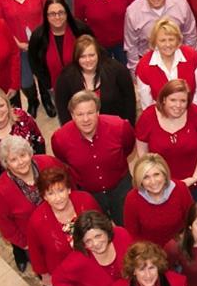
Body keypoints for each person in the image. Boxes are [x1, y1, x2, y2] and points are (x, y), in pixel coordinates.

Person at [26, 166, 100, 286]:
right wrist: (45, 276)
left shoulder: (86, 200)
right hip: (62, 269)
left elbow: (102, 226)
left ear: (68, 190)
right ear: (44, 196)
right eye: (50, 193)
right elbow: (35, 251)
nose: (57, 198)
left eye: (60, 190)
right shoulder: (37, 220)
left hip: (92, 261)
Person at [51, 90, 135, 224]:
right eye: (80, 114)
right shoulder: (60, 139)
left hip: (120, 188)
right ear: (72, 115)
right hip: (88, 194)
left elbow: (128, 148)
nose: (86, 119)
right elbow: (64, 160)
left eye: (90, 113)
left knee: (128, 225)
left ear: (98, 112)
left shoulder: (120, 127)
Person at [0, 135, 63, 272]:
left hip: (63, 225)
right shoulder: (0, 191)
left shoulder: (48, 163)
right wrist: (25, 244)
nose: (20, 162)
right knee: (47, 267)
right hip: (35, 239)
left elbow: (68, 184)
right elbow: (4, 224)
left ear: (29, 153)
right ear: (6, 163)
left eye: (22, 155)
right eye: (13, 159)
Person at [135, 79, 197, 199]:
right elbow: (142, 153)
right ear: (164, 99)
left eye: (183, 101)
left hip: (193, 183)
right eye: (173, 100)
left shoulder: (196, 114)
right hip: (159, 186)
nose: (178, 105)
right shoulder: (148, 117)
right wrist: (153, 178)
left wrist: (195, 177)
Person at [28, 0, 93, 118]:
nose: (57, 17)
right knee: (66, 115)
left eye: (61, 12)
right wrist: (48, 84)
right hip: (56, 87)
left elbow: (95, 51)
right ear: (46, 16)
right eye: (52, 14)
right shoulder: (39, 36)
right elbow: (34, 62)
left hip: (85, 84)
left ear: (67, 12)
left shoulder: (79, 29)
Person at [123, 0, 197, 71]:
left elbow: (190, 35)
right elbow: (131, 47)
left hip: (179, 58)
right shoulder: (132, 12)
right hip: (148, 64)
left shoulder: (180, 3)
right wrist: (137, 73)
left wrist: (191, 62)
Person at [54, 34, 135, 126]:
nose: (88, 60)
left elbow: (129, 101)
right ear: (76, 58)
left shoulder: (117, 70)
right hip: (82, 129)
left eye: (91, 55)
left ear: (98, 54)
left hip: (114, 126)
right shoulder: (65, 78)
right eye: (82, 56)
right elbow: (63, 111)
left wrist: (128, 127)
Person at [0, 86, 44, 189]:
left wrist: (38, 169)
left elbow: (38, 141)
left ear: (7, 104)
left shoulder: (22, 117)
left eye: (1, 105)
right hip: (8, 184)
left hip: (34, 171)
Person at [134, 18, 197, 110]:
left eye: (171, 39)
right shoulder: (144, 66)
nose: (168, 44)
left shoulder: (192, 57)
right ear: (155, 42)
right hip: (160, 114)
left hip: (190, 109)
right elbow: (147, 103)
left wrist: (194, 111)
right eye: (163, 40)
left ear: (178, 40)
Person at [123, 153, 193, 246]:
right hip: (150, 250)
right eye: (146, 177)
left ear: (164, 175)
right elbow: (132, 234)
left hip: (179, 244)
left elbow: (192, 219)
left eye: (156, 174)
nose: (153, 182)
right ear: (140, 180)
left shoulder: (180, 188)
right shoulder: (132, 199)